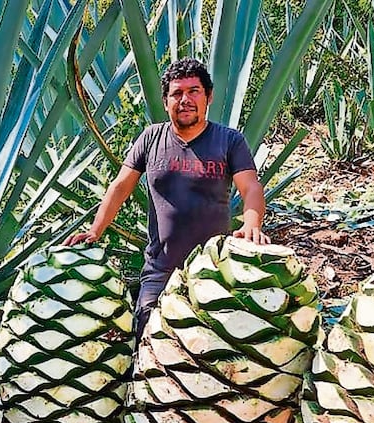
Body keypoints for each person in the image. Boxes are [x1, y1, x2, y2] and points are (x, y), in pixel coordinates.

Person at [65, 58, 269, 339]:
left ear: (208, 97)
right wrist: (95, 230)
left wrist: (252, 223)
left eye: (194, 91)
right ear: (165, 101)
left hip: (213, 268)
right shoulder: (151, 138)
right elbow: (120, 187)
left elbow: (251, 188)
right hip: (160, 268)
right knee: (147, 339)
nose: (185, 100)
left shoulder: (229, 140)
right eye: (177, 93)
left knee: (211, 350)